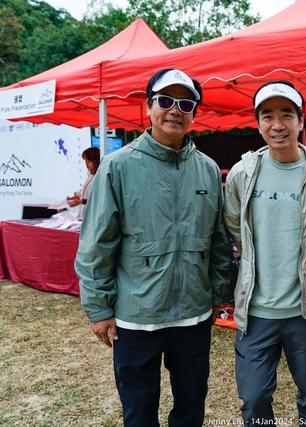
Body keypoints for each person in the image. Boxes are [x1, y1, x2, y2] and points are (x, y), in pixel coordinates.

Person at [75, 68, 232, 427]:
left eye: (186, 104)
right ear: (148, 106)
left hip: (193, 315)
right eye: (165, 100)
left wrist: (216, 293)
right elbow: (97, 243)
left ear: (194, 114)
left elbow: (219, 241)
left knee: (191, 409)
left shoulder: (208, 169)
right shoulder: (117, 166)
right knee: (139, 411)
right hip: (135, 317)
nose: (175, 110)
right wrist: (98, 308)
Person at [224, 80, 306, 426]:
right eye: (268, 116)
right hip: (256, 311)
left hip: (305, 311)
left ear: (301, 121)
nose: (278, 125)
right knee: (254, 397)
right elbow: (235, 226)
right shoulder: (243, 173)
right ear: (258, 123)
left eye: (287, 115)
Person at [65, 147, 100, 220]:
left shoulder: (100, 177)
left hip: (92, 217)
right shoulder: (91, 176)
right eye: (85, 161)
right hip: (83, 217)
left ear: (96, 161)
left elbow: (98, 198)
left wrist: (80, 201)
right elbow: (82, 192)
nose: (86, 164)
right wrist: (69, 200)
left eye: (89, 161)